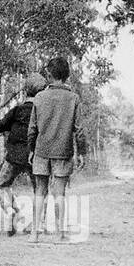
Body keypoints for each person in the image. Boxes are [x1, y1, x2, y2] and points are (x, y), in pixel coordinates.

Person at [26, 57, 88, 244]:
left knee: (40, 192)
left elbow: (32, 129)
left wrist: (31, 149)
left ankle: (34, 234)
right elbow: (80, 130)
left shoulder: (39, 98)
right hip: (63, 151)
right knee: (59, 192)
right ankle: (60, 234)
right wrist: (82, 152)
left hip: (41, 150)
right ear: (67, 75)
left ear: (49, 74)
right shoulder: (73, 98)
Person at [0, 73, 47, 235]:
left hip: (14, 156)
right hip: (36, 156)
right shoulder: (43, 111)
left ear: (26, 90)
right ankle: (38, 224)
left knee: (1, 185)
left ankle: (10, 210)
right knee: (40, 190)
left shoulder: (17, 110)